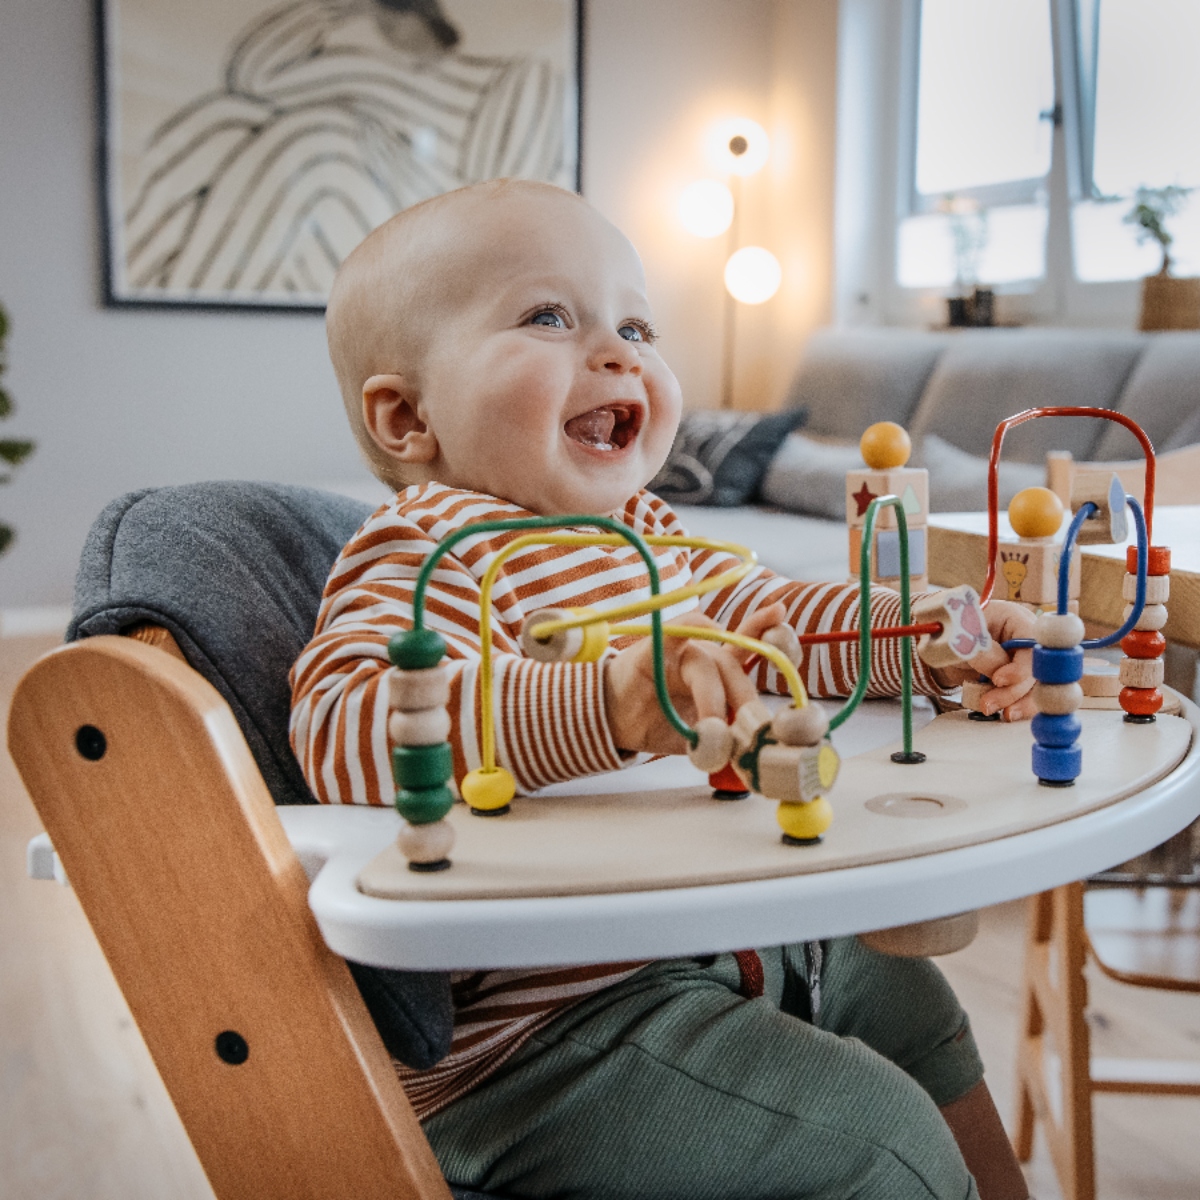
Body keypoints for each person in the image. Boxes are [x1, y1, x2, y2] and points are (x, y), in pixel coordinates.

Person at [290, 178, 1037, 1199]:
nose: (618, 351)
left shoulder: (654, 536)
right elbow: (343, 723)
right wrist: (606, 706)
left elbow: (792, 619)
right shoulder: (425, 548)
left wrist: (938, 634)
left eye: (637, 323)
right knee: (879, 1136)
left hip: (700, 940)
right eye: (549, 317)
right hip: (545, 1040)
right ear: (407, 415)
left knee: (909, 997)